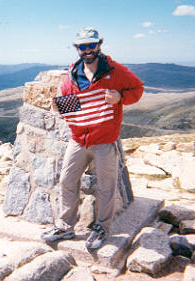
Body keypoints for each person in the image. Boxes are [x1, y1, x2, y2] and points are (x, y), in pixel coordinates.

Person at [41, 27, 144, 249]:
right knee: (67, 180)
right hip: (78, 140)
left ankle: (102, 229)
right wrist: (59, 106)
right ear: (77, 48)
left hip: (104, 141)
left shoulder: (115, 70)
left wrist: (121, 97)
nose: (87, 50)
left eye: (91, 45)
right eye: (82, 46)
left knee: (107, 186)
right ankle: (66, 226)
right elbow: (71, 102)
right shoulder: (72, 73)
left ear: (99, 45)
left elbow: (138, 88)